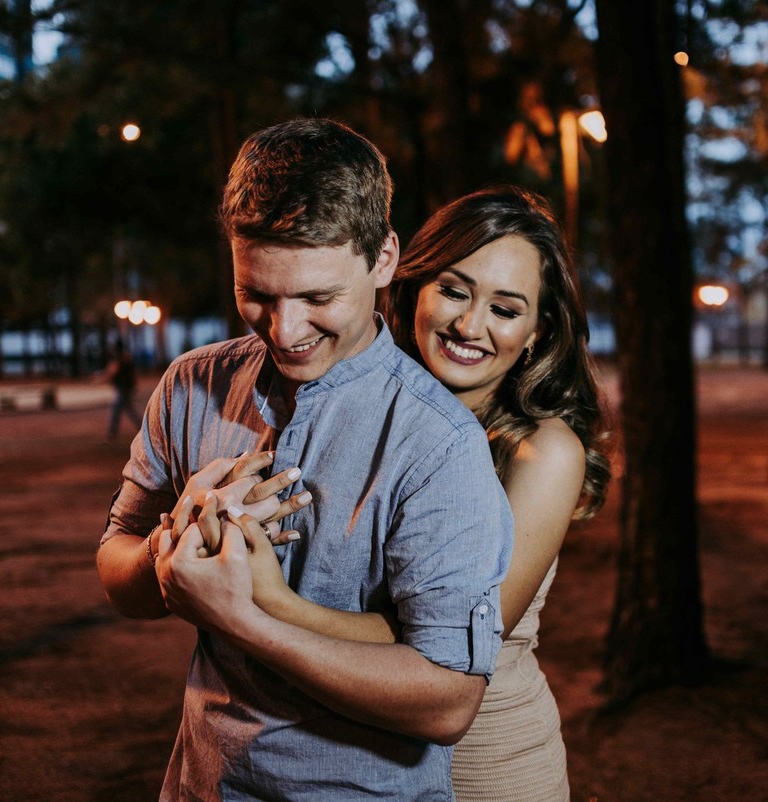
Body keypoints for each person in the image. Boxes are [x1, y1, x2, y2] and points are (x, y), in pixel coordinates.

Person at [96, 118, 514, 801]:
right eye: (256, 294)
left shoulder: (439, 444)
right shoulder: (190, 386)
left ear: (383, 260)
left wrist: (244, 619)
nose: (284, 330)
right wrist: (170, 544)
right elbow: (118, 573)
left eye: (319, 298)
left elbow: (446, 704)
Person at [236, 186, 612, 801]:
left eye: (505, 309)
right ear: (414, 288)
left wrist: (268, 603)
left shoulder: (543, 452)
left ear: (537, 332)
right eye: (455, 291)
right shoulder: (366, 410)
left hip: (484, 766)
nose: (470, 325)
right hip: (360, 762)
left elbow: (450, 643)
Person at [104, 339, 143, 439]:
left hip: (122, 387)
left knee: (118, 409)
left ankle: (112, 432)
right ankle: (142, 428)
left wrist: (104, 379)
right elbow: (132, 373)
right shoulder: (127, 358)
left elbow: (113, 372)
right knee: (128, 409)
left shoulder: (119, 358)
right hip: (126, 387)